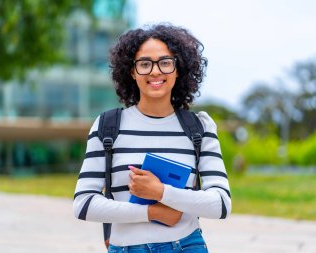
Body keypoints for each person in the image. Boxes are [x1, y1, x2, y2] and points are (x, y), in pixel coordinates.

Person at [73, 24, 231, 253]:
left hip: (186, 246)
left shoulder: (199, 128)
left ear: (178, 69)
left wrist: (161, 192)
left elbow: (221, 204)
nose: (155, 71)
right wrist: (150, 212)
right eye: (145, 64)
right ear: (132, 72)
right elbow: (83, 204)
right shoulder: (108, 127)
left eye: (165, 62)